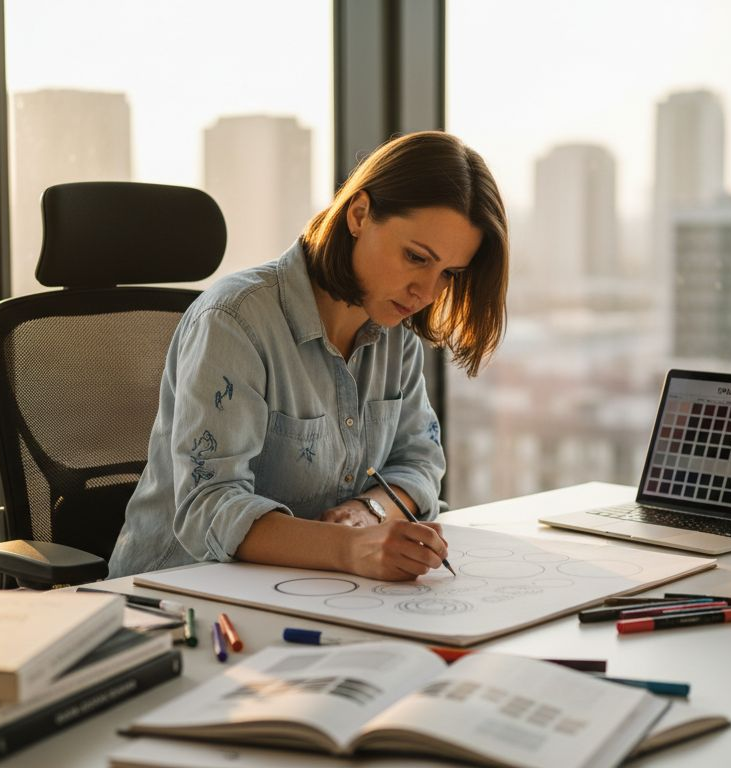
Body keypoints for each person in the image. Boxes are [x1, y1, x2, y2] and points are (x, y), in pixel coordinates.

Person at [108, 130, 508, 581]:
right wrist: (351, 548)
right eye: (416, 257)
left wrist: (368, 511)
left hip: (312, 592)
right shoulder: (235, 320)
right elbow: (211, 504)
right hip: (175, 597)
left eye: (449, 274)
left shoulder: (396, 330)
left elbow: (420, 460)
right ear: (359, 215)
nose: (428, 292)